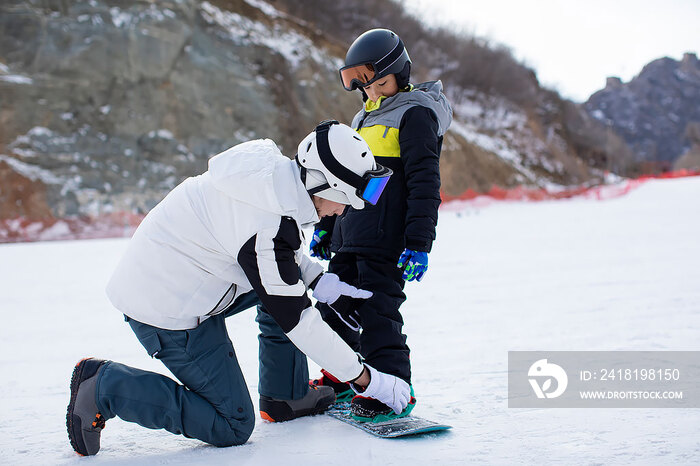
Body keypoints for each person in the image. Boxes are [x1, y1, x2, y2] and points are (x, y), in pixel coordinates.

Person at [66, 122, 410, 456]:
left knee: (282, 294)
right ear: (324, 184)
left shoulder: (272, 176)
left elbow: (277, 253)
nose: (344, 210)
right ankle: (105, 386)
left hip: (187, 275)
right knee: (232, 424)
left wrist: (317, 278)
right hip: (165, 307)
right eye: (345, 199)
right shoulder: (265, 226)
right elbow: (297, 317)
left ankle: (285, 397)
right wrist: (367, 380)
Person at [307, 29, 453, 422]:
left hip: (387, 238)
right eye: (366, 88)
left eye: (381, 84)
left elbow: (425, 183)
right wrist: (326, 228)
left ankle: (392, 386)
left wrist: (419, 243)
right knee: (333, 306)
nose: (373, 94)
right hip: (351, 235)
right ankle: (340, 375)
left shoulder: (415, 114)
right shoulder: (363, 117)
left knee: (377, 312)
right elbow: (350, 184)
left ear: (400, 73)